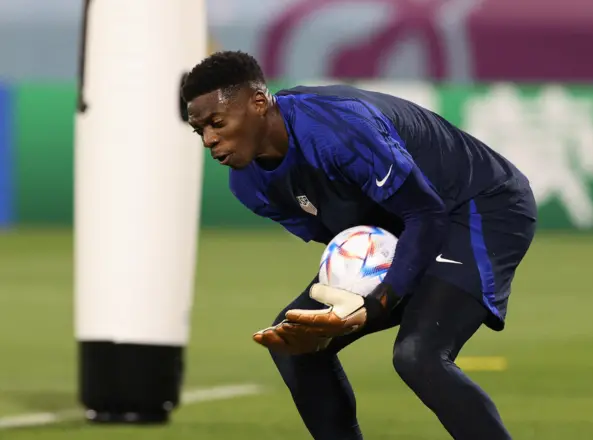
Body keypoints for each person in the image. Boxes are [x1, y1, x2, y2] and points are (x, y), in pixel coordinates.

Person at [181, 50, 537, 440]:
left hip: (478, 205)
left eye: (217, 122)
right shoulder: (248, 184)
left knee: (418, 355)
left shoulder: (337, 129)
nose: (210, 140)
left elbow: (426, 213)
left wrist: (379, 301)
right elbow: (352, 236)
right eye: (201, 131)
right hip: (405, 222)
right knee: (293, 345)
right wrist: (358, 294)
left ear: (259, 102)